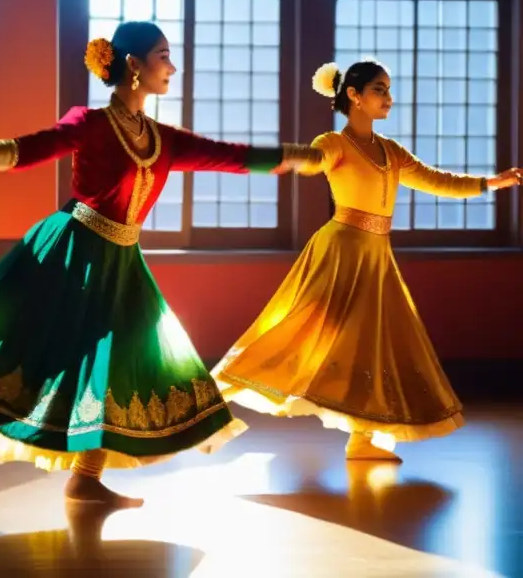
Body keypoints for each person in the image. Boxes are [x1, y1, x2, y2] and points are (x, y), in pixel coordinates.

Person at [0, 21, 322, 508]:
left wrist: (301, 157)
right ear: (134, 65)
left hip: (122, 263)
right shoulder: (91, 122)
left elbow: (229, 156)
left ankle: (85, 478)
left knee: (116, 366)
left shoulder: (163, 138)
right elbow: (37, 147)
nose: (172, 67)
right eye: (164, 56)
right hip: (71, 248)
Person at [212, 59, 522, 462]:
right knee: (304, 331)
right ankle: (221, 389)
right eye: (379, 89)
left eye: (389, 90)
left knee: (372, 346)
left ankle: (362, 437)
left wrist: (489, 183)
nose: (388, 98)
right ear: (353, 96)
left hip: (377, 255)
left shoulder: (390, 151)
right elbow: (315, 159)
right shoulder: (335, 143)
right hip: (341, 250)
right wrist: (289, 158)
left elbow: (435, 180)